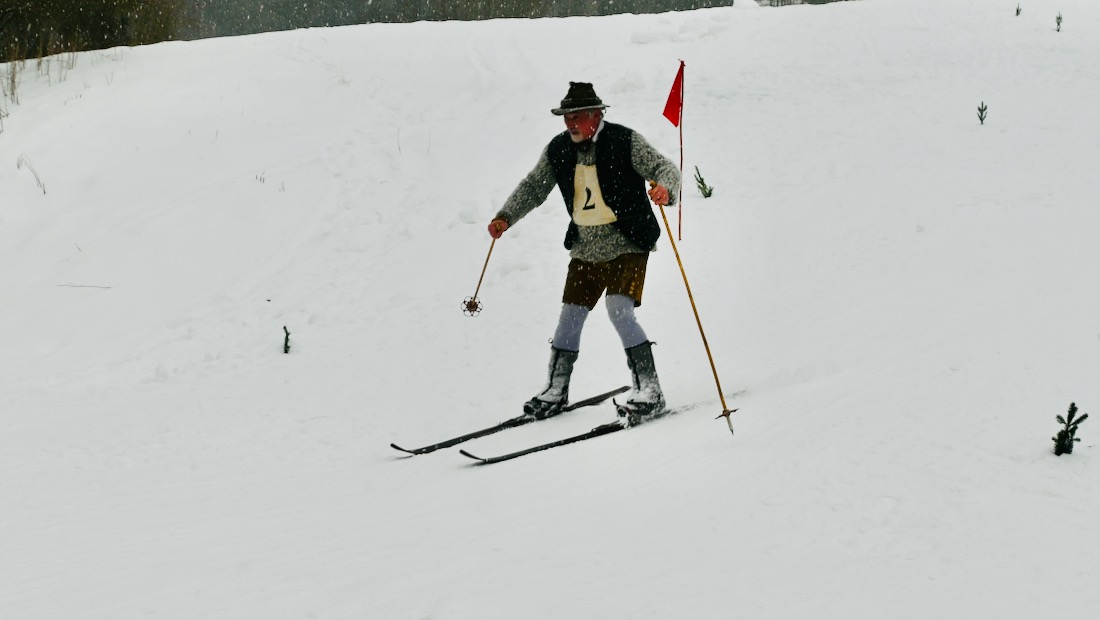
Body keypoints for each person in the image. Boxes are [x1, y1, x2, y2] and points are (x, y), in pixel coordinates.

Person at [487, 81, 681, 426]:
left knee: (619, 310)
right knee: (570, 316)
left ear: (597, 114)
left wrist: (667, 189)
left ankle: (649, 390)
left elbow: (666, 169)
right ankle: (555, 389)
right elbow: (534, 186)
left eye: (577, 117)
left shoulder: (624, 141)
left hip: (628, 242)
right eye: (566, 118)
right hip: (586, 247)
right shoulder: (559, 149)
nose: (571, 124)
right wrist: (506, 216)